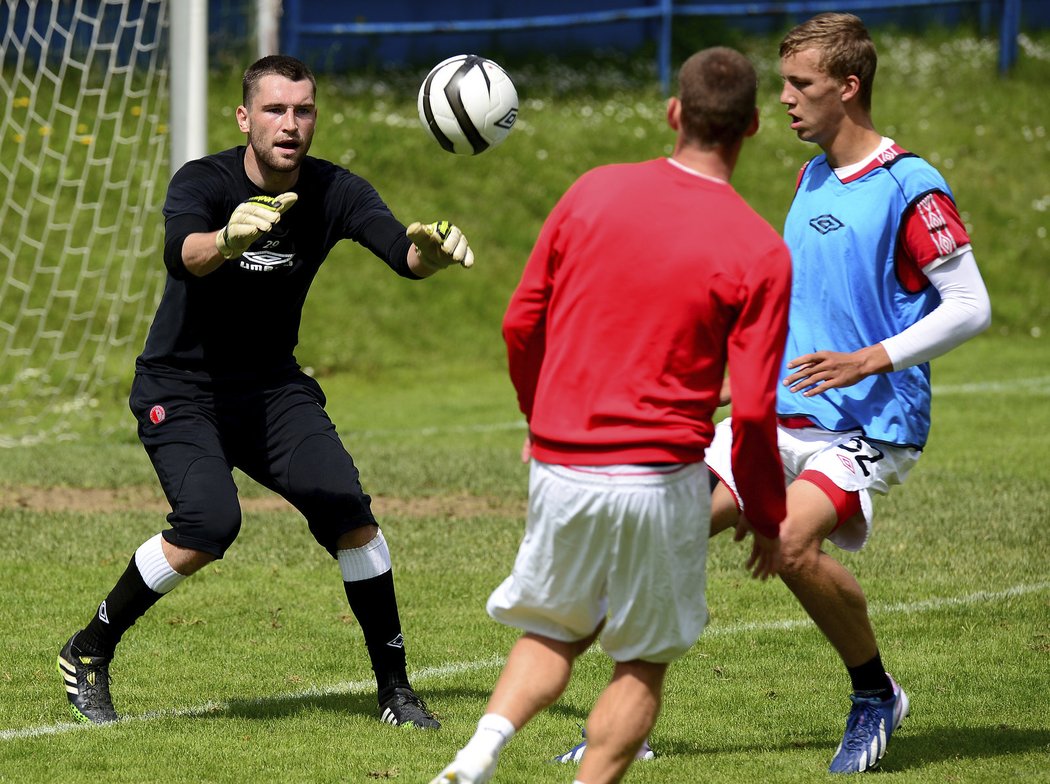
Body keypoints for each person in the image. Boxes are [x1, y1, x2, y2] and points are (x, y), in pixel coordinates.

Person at [56, 54, 476, 729]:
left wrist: (430, 248)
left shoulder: (336, 190)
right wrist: (226, 238)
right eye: (276, 110)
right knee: (209, 526)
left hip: (271, 388)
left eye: (303, 110)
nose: (291, 124)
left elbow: (403, 254)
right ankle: (90, 648)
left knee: (352, 518)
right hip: (182, 386)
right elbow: (181, 252)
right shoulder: (204, 180)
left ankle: (396, 692)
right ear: (245, 117)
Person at [430, 46, 791, 784]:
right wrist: (768, 511)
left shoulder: (591, 191)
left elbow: (519, 324)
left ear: (673, 113)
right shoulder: (762, 249)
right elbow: (752, 410)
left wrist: (540, 420)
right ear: (752, 127)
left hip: (563, 463)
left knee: (552, 631)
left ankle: (477, 755)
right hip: (661, 479)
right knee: (642, 659)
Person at [703, 12, 992, 774]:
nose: (787, 101)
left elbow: (972, 306)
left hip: (868, 424)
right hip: (781, 410)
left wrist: (870, 359)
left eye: (802, 85)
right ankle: (626, 721)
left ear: (849, 86)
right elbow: (798, 298)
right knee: (663, 525)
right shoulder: (813, 175)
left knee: (794, 544)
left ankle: (873, 693)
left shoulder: (910, 183)